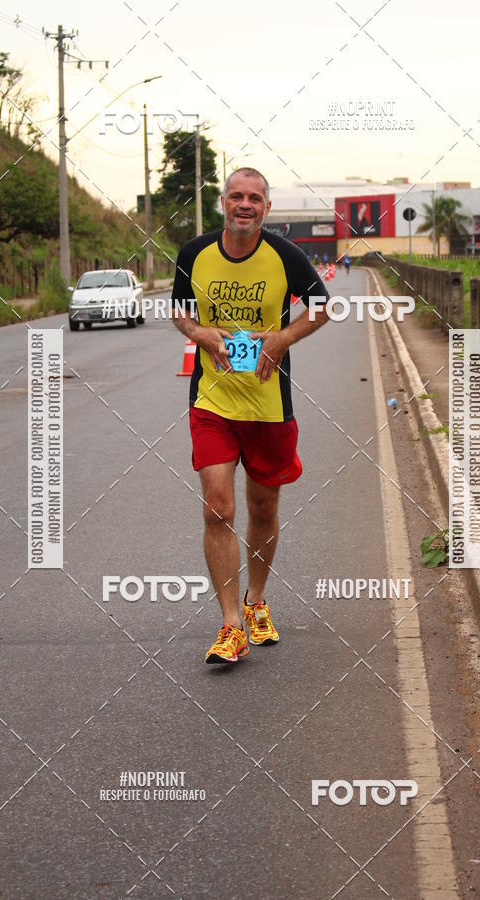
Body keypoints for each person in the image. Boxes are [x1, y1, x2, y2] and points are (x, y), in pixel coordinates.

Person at [171, 167, 330, 665]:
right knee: (217, 508)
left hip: (268, 406)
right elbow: (179, 311)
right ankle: (230, 625)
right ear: (223, 202)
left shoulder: (285, 255)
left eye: (254, 198)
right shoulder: (194, 253)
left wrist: (283, 338)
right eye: (237, 196)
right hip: (212, 402)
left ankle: (256, 601)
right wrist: (200, 334)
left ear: (266, 207)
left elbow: (322, 306)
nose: (245, 204)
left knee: (263, 508)